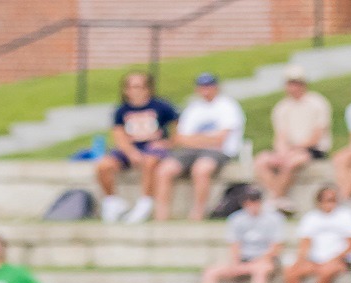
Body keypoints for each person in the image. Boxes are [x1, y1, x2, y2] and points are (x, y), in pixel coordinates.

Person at [155, 73, 246, 221]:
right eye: (202, 87)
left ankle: (197, 213)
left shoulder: (228, 106)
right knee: (165, 169)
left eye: (209, 86)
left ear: (216, 87)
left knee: (201, 169)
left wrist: (195, 139)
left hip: (219, 152)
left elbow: (220, 140)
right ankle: (161, 215)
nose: (205, 90)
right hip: (191, 151)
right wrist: (206, 139)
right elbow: (180, 138)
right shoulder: (193, 107)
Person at [96, 72, 178, 225]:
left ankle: (145, 202)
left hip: (153, 148)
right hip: (130, 149)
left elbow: (178, 131)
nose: (135, 91)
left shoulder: (162, 107)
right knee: (103, 165)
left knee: (150, 160)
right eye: (131, 87)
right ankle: (112, 202)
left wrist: (167, 143)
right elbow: (119, 136)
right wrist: (131, 153)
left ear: (148, 89)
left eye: (139, 87)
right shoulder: (121, 111)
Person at [254, 66, 334, 205]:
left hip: (313, 149)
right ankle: (278, 198)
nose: (293, 87)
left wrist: (292, 150)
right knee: (261, 161)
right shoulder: (282, 107)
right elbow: (281, 136)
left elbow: (316, 136)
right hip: (290, 149)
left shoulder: (317, 103)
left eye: (296, 83)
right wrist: (282, 151)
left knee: (291, 163)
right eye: (290, 83)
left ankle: (275, 199)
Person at [200, 187, 285, 283]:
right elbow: (235, 245)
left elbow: (276, 246)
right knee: (210, 272)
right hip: (244, 259)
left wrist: (257, 262)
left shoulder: (274, 218)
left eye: (255, 200)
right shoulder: (236, 219)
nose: (252, 204)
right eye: (249, 201)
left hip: (265, 260)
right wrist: (236, 263)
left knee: (261, 270)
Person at [284, 184, 351, 283]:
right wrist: (300, 260)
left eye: (333, 200)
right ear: (319, 201)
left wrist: (333, 259)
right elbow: (305, 243)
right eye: (328, 200)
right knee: (290, 272)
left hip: (338, 260)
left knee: (325, 272)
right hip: (315, 260)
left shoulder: (347, 216)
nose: (331, 203)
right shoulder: (310, 218)